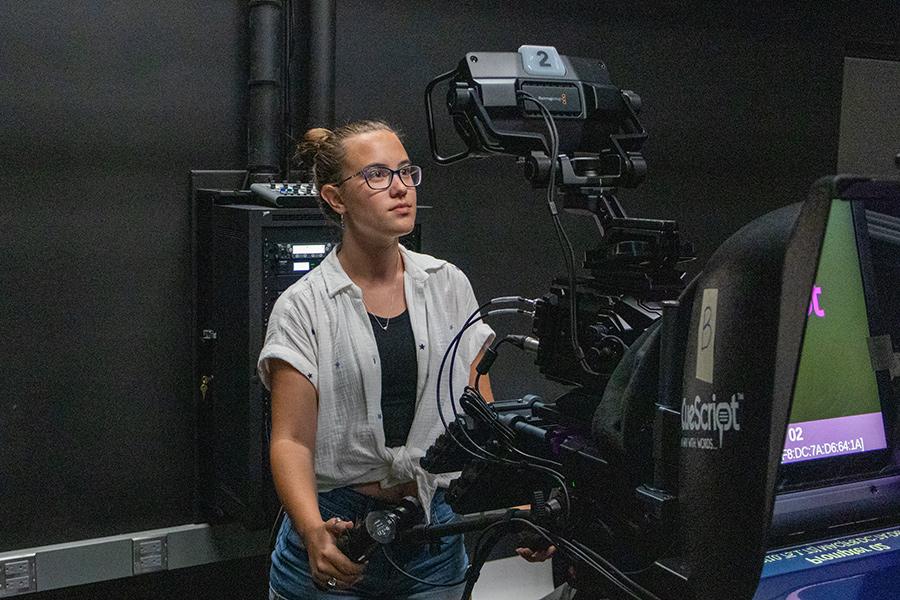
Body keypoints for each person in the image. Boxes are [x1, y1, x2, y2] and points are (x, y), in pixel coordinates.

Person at [257, 120, 496, 600]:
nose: (401, 187)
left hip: (433, 532)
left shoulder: (448, 284)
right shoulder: (303, 307)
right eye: (377, 175)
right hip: (340, 528)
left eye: (406, 172)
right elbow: (291, 440)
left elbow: (482, 416)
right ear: (335, 198)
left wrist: (519, 501)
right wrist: (312, 531)